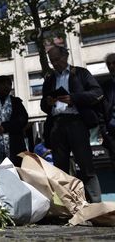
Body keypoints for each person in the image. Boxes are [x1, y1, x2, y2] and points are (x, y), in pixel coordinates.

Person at [40, 45, 103, 203]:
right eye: (52, 61)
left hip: (77, 123)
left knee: (86, 165)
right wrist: (48, 102)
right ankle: (67, 206)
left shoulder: (81, 73)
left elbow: (97, 93)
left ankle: (96, 205)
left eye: (57, 59)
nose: (55, 63)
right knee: (60, 169)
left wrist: (74, 98)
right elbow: (43, 106)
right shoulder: (50, 79)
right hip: (56, 125)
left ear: (66, 56)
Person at [0, 75, 28, 165]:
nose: (6, 86)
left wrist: (5, 127)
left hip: (14, 145)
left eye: (9, 84)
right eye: (3, 84)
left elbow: (23, 119)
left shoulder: (16, 102)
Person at [100, 53, 115, 161]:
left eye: (114, 63)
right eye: (109, 64)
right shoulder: (105, 86)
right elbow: (101, 110)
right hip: (112, 133)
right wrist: (104, 131)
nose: (111, 66)